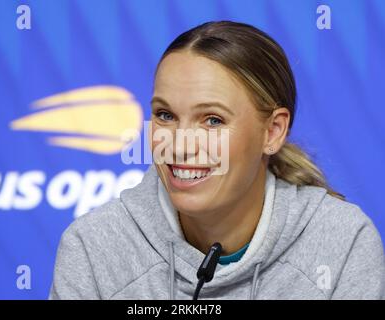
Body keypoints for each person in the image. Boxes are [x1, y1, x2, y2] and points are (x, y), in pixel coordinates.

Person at [49, 21, 385, 300]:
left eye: (212, 120)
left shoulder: (342, 241)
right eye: (165, 115)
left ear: (272, 132)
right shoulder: (93, 247)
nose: (179, 146)